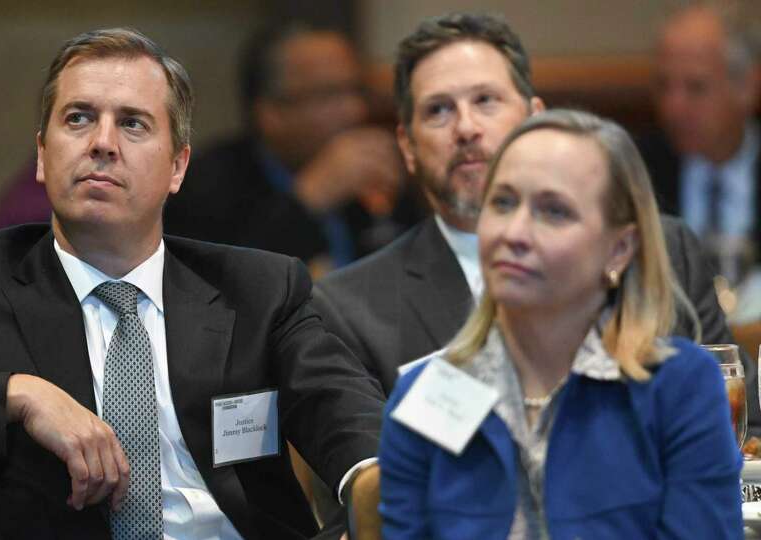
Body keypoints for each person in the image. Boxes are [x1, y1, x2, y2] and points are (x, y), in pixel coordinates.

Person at [0, 28, 384, 540]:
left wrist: (370, 493)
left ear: (177, 167)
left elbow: (346, 414)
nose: (102, 142)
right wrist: (15, 395)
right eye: (79, 118)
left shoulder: (257, 288)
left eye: (132, 123)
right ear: (42, 154)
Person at [312, 13, 748, 411]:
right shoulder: (350, 309)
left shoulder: (661, 247)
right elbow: (363, 490)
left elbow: (742, 427)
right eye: (439, 110)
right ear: (407, 145)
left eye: (485, 100)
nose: (466, 128)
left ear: (534, 118)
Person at [380, 108, 743, 538]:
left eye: (553, 212)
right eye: (502, 203)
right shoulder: (425, 396)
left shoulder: (677, 387)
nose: (513, 232)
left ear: (619, 249)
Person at [163, 23, 422, 277]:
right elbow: (217, 289)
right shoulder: (201, 186)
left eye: (356, 90)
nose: (355, 110)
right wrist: (308, 199)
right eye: (330, 95)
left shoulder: (372, 171)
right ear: (271, 114)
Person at [638, 2, 760, 278]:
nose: (673, 107)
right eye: (664, 85)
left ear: (747, 88)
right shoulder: (637, 170)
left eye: (696, 87)